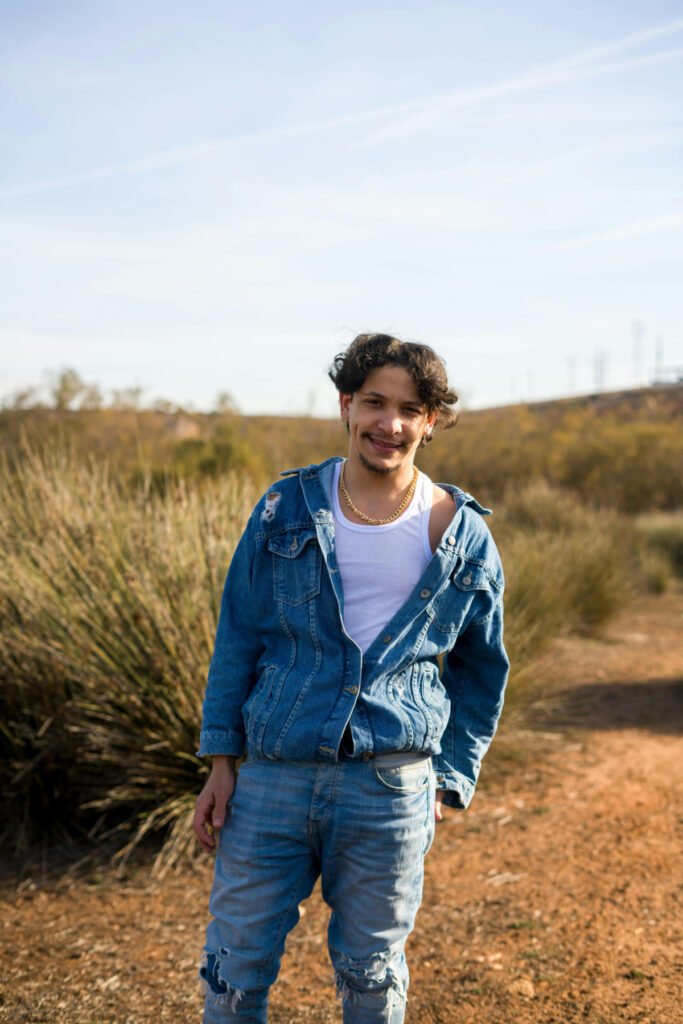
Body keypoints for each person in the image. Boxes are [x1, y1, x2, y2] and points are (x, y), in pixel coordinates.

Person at [194, 333, 509, 1023]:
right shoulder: (285, 507)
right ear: (345, 405)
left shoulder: (461, 535)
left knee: (371, 977)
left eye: (408, 409)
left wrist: (447, 778)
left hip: (390, 786)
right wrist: (221, 761)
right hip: (272, 778)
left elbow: (482, 669)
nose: (388, 424)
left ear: (431, 421)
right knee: (234, 970)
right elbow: (239, 634)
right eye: (373, 402)